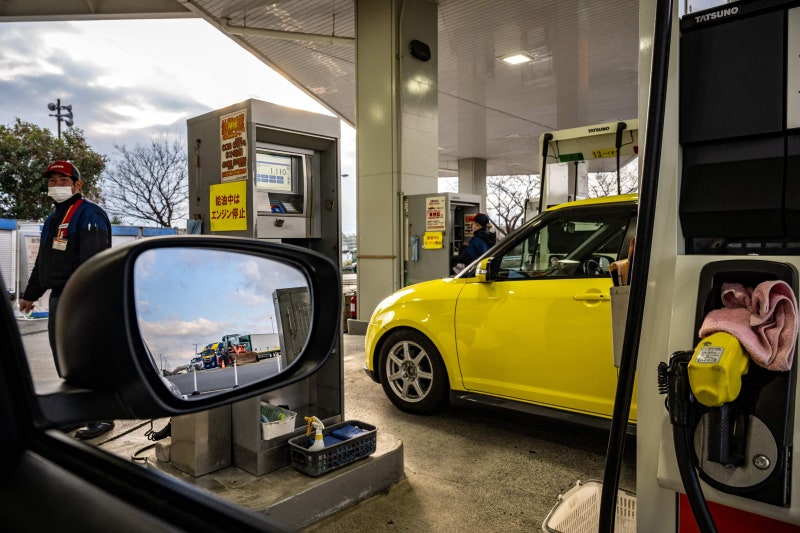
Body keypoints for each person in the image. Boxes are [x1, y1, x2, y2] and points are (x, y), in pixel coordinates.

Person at [19, 160, 115, 440]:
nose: (56, 186)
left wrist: (83, 302)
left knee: (85, 360)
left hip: (83, 299)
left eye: (62, 180)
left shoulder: (90, 215)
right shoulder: (53, 220)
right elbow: (44, 262)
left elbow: (92, 264)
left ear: (77, 184)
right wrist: (30, 294)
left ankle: (101, 416)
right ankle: (77, 412)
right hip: (59, 299)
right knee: (65, 360)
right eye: (52, 181)